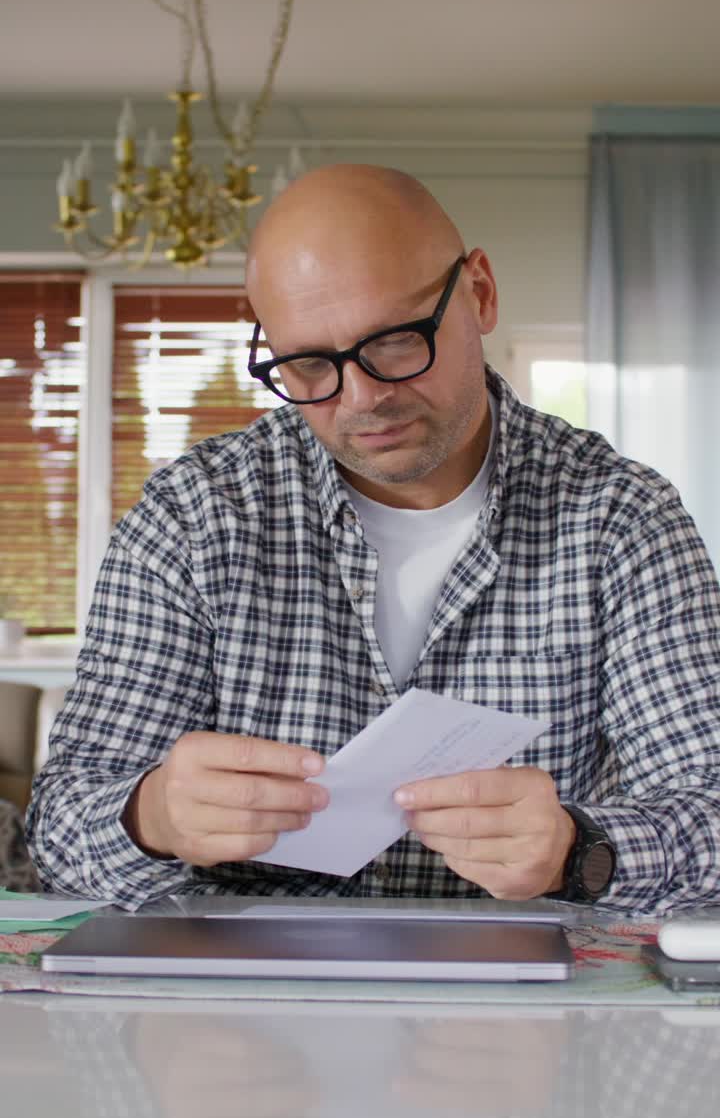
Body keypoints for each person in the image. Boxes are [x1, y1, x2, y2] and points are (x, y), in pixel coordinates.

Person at [26, 165, 720, 913]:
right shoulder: (196, 514)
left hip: (512, 1001)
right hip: (236, 1007)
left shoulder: (622, 517)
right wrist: (151, 817)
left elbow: (709, 813)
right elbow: (61, 827)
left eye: (394, 342)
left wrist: (577, 851)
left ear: (480, 294)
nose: (363, 400)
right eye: (310, 364)